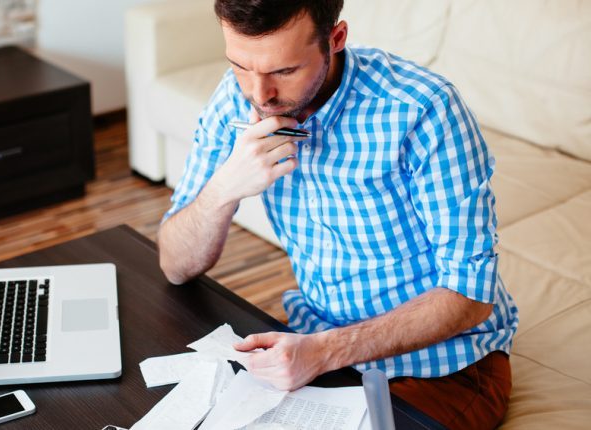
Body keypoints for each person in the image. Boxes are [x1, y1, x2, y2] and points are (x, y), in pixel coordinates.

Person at [156, 1, 519, 428]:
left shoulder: (424, 110)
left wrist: (325, 351)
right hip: (313, 340)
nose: (259, 94)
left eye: (284, 71)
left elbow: (470, 295)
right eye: (239, 65)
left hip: (445, 366)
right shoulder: (235, 99)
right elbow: (174, 266)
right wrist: (223, 189)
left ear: (336, 39)